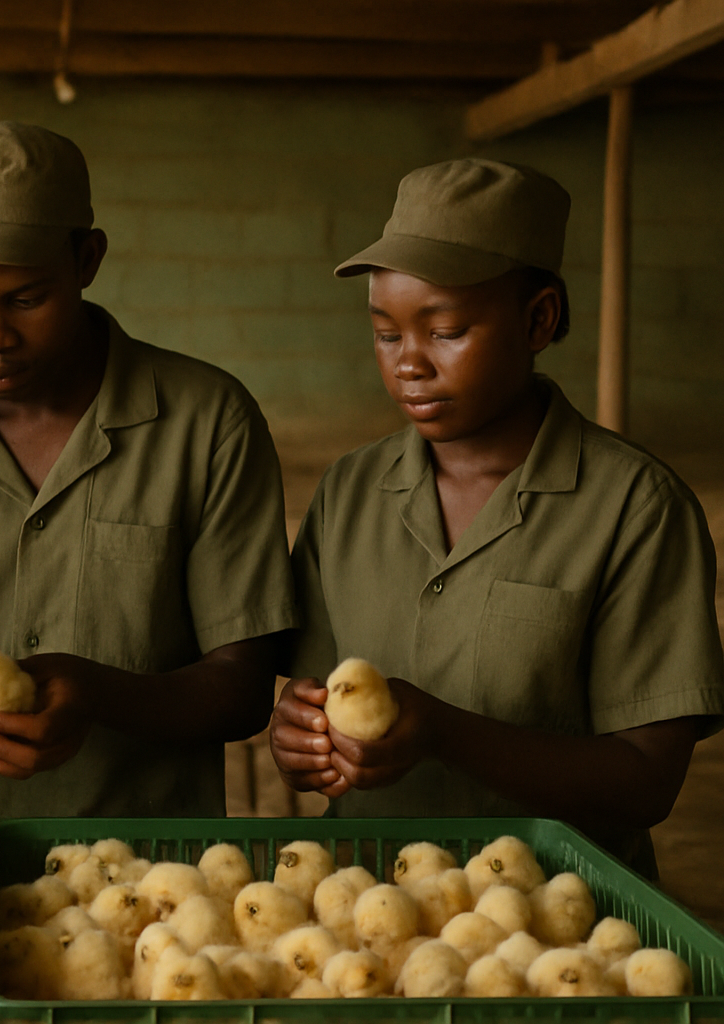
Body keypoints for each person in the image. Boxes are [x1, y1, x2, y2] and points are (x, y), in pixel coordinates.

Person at [270, 158, 724, 871]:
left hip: (553, 930)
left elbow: (646, 782)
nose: (408, 363)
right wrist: (301, 740)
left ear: (538, 318)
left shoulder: (636, 509)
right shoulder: (349, 494)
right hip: (364, 910)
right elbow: (316, 698)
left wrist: (446, 733)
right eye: (387, 334)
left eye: (445, 331)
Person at [0, 122, 296, 817]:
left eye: (26, 299)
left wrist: (94, 693)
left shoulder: (208, 421)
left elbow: (241, 690)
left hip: (160, 883)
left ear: (87, 259)